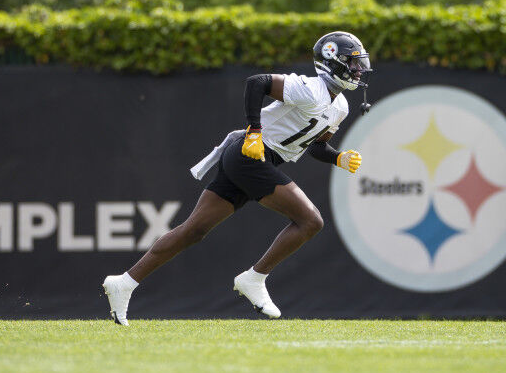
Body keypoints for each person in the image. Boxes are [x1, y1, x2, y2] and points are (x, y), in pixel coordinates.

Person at [102, 31, 372, 325]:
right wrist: (254, 131)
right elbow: (258, 83)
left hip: (254, 157)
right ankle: (254, 278)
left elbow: (316, 146)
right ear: (333, 62)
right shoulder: (311, 89)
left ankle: (124, 282)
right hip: (249, 154)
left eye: (360, 64)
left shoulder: (340, 106)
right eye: (353, 63)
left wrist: (338, 157)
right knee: (311, 221)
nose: (358, 70)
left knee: (193, 230)